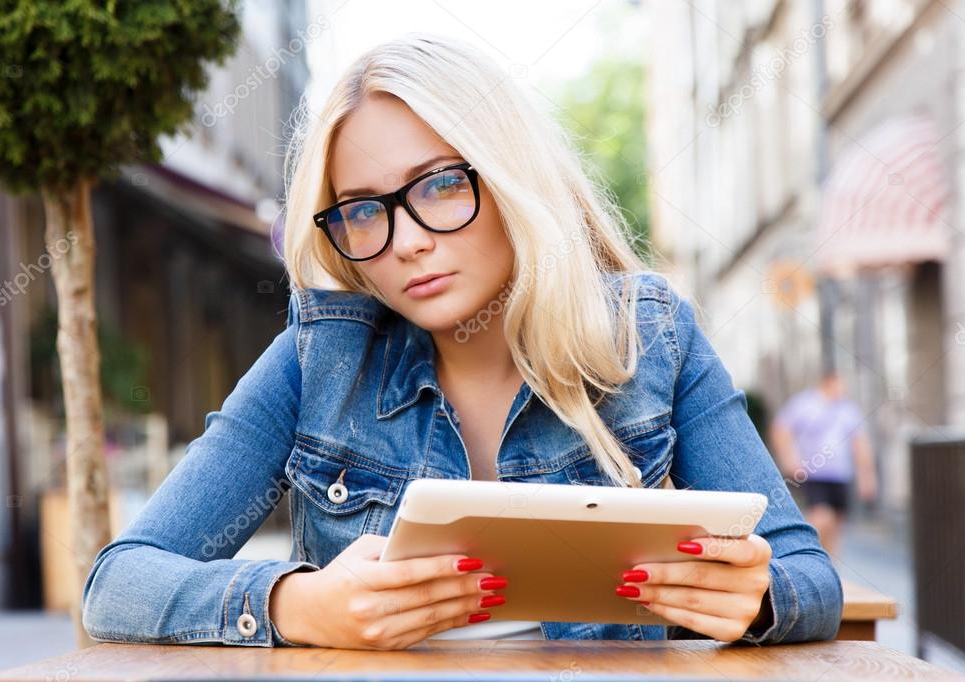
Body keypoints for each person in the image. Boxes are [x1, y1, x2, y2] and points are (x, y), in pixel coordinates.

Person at [81, 33, 843, 651]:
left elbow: (809, 578)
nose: (404, 241)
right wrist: (296, 604)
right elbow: (117, 585)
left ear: (512, 177)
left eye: (441, 185)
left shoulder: (650, 337)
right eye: (361, 210)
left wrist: (752, 599)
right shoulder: (322, 358)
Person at [770, 371, 878, 557]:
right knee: (820, 517)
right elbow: (781, 429)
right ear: (828, 382)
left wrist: (867, 477)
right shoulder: (805, 404)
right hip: (815, 472)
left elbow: (860, 444)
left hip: (840, 474)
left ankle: (829, 566)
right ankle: (807, 556)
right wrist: (790, 459)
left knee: (836, 524)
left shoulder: (848, 409)